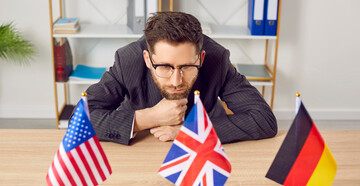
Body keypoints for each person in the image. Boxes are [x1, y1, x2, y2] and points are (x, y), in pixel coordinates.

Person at [86, 11, 277, 145]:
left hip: (202, 149)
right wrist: (147, 118)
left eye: (186, 67)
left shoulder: (217, 60)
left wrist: (190, 131)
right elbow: (81, 120)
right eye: (164, 67)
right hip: (142, 144)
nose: (176, 81)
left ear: (200, 58)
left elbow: (264, 120)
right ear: (147, 58)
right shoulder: (127, 61)